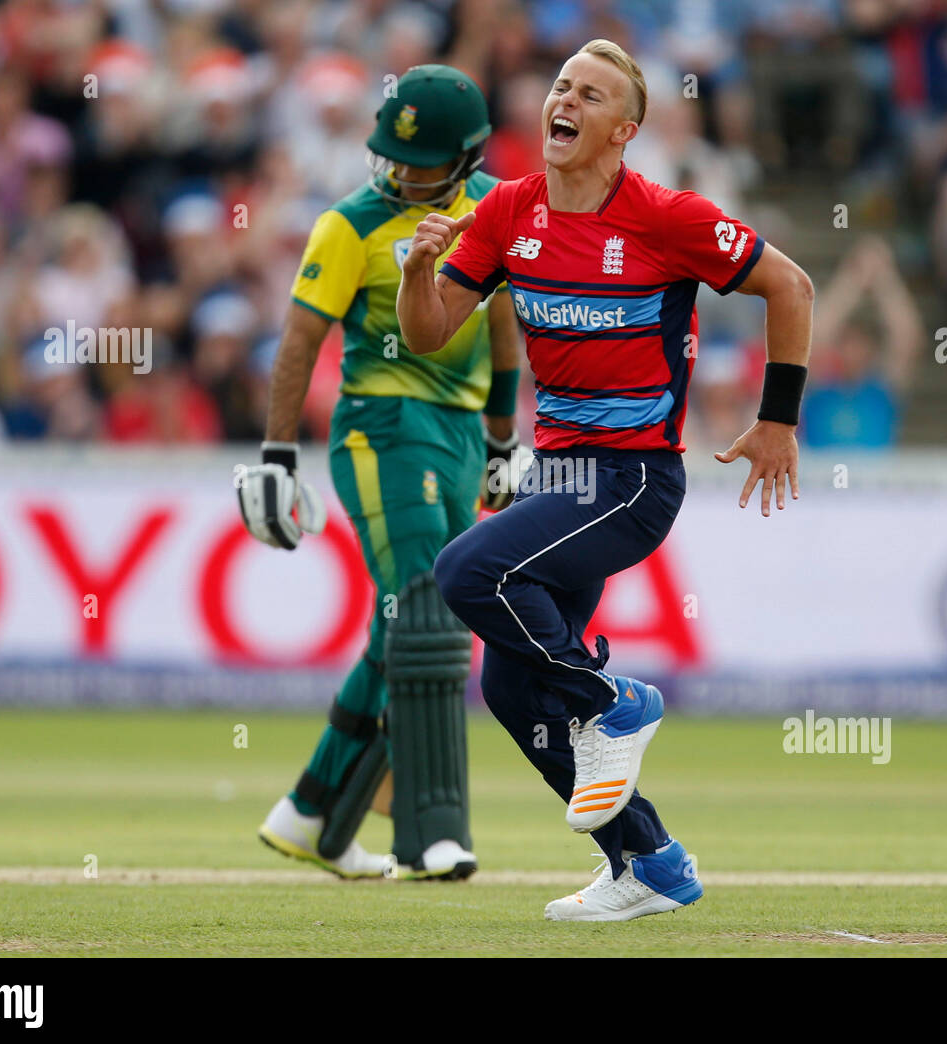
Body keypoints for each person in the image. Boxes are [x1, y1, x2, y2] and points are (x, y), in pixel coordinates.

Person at [397, 40, 814, 920]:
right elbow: (430, 334)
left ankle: (613, 701)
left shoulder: (668, 216)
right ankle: (648, 861)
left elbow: (792, 285)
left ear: (624, 130)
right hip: (561, 480)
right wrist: (415, 274)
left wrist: (778, 418)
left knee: (469, 572)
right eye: (560, 87)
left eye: (590, 95)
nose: (566, 101)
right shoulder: (508, 209)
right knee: (509, 684)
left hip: (630, 482)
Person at [237, 66, 524, 880]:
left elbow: (505, 335)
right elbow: (299, 345)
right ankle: (432, 832)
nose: (403, 172)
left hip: (463, 433)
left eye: (424, 160)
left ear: (467, 157)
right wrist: (276, 457)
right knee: (428, 608)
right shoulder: (348, 224)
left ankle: (311, 813)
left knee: (410, 620)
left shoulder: (494, 211)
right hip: (379, 428)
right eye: (394, 155)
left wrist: (504, 443)